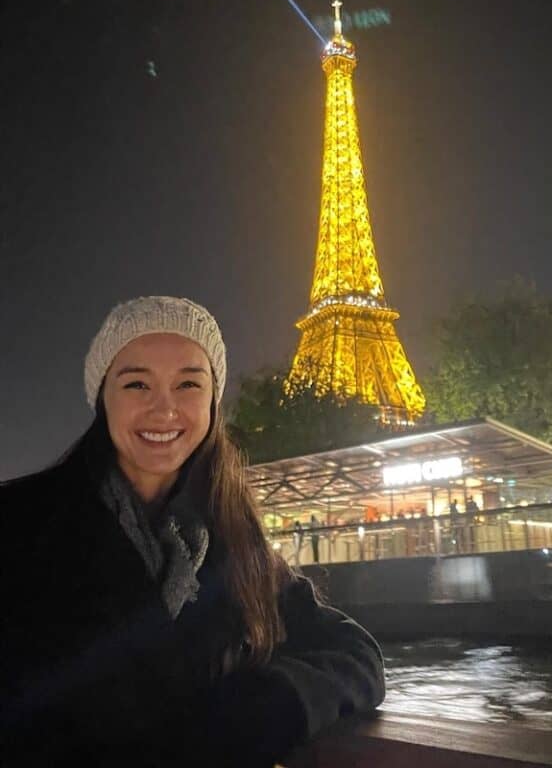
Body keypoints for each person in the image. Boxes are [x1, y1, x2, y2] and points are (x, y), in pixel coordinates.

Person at [0, 296, 384, 767]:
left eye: (188, 384)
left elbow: (356, 652)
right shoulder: (18, 524)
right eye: (137, 383)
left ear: (212, 402)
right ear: (103, 398)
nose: (165, 410)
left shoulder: (238, 545)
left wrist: (273, 700)